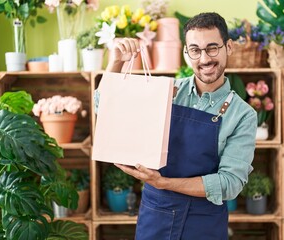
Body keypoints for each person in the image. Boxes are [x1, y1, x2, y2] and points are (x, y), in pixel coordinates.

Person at [95, 12, 257, 240]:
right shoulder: (166, 92)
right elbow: (104, 110)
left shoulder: (242, 115)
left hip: (204, 224)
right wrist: (116, 61)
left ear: (228, 47)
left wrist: (163, 182)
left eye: (212, 48)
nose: (204, 59)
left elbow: (229, 183)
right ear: (185, 53)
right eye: (195, 50)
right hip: (155, 216)